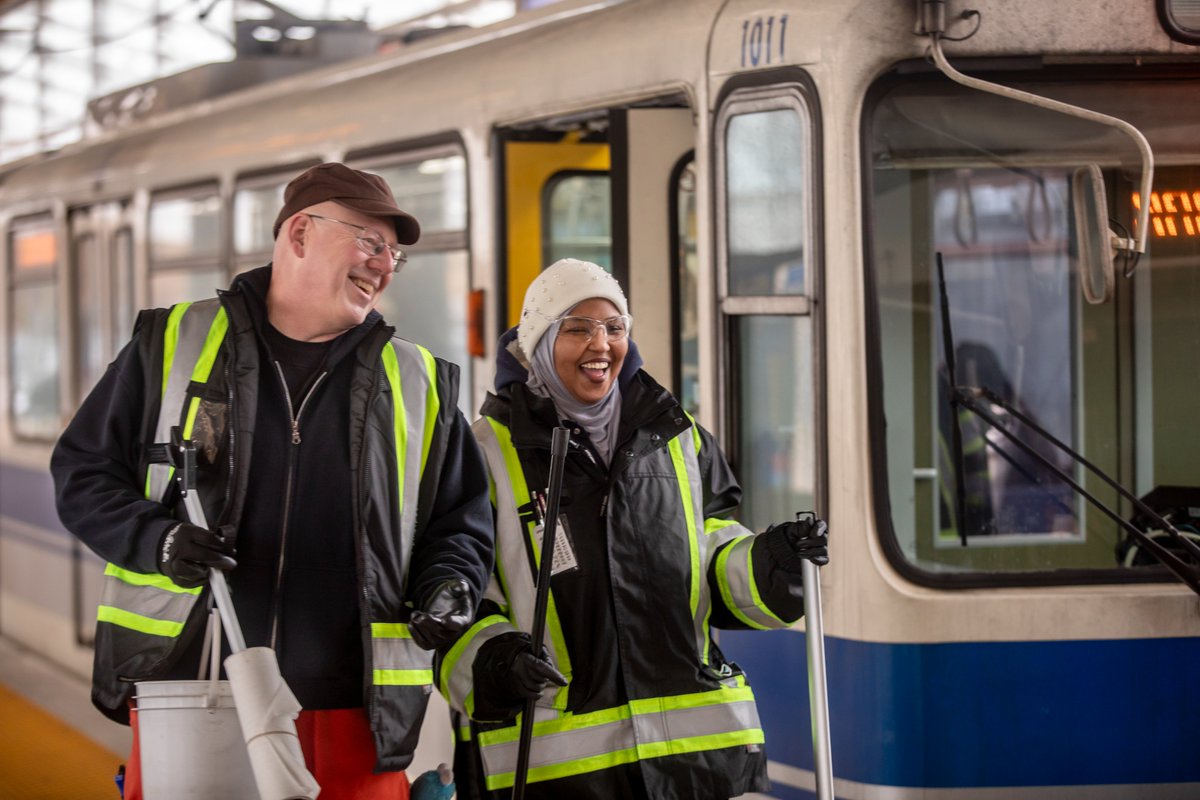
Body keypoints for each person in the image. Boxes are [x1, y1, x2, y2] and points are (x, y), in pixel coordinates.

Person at [51, 162, 494, 800]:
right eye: (370, 242)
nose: (384, 265)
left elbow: (461, 521)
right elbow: (83, 472)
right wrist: (158, 542)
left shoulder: (418, 381)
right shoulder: (172, 342)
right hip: (198, 690)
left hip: (355, 709)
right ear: (300, 235)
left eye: (393, 252)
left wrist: (451, 583)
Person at [436, 259, 830, 799]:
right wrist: (496, 663)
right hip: (557, 777)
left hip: (692, 768)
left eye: (615, 328)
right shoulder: (483, 453)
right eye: (577, 328)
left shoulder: (678, 437)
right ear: (540, 342)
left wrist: (773, 563)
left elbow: (713, 562)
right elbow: (457, 601)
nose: (601, 345)